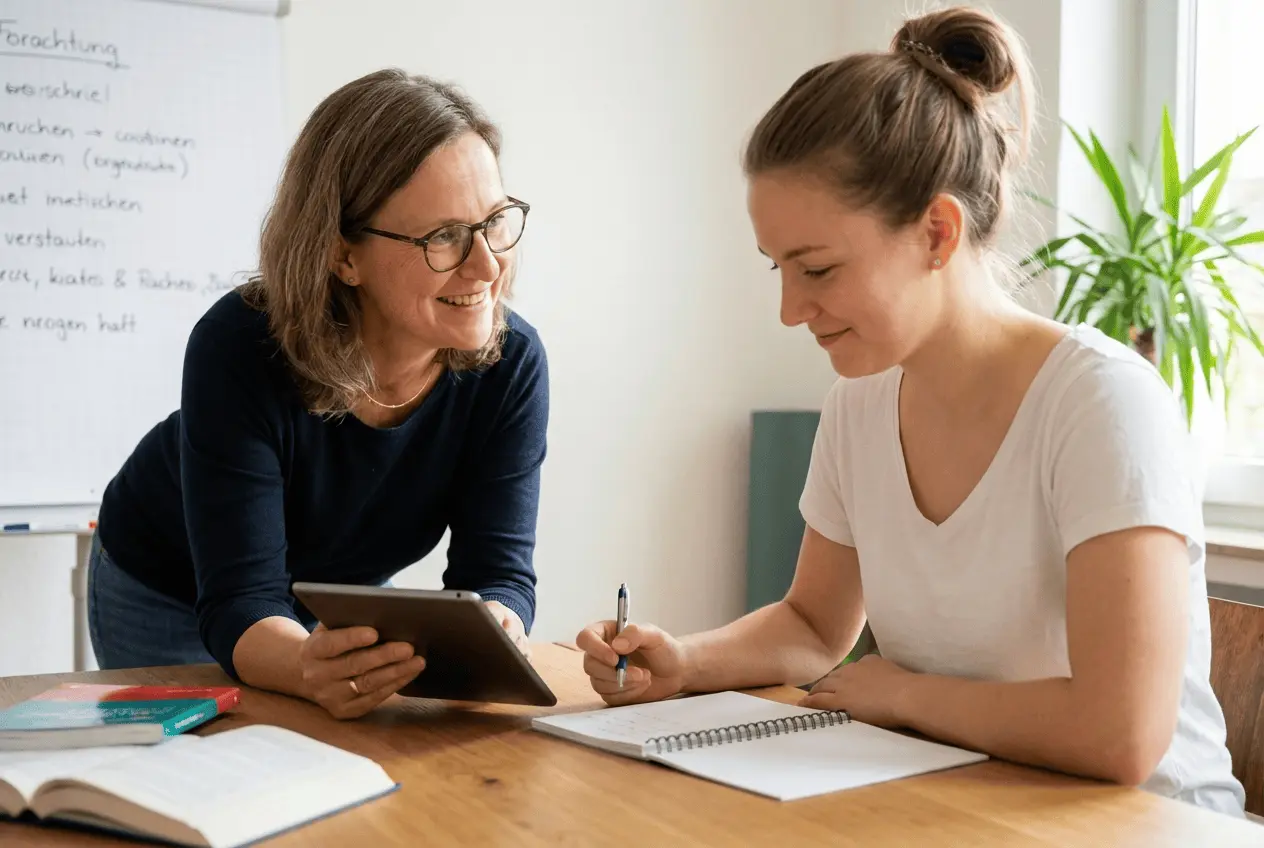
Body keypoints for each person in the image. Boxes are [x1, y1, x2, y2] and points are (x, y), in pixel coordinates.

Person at [577, 6, 1246, 816]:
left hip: (1141, 825)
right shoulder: (858, 403)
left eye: (817, 269)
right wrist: (684, 660)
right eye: (778, 269)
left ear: (936, 231)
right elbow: (815, 624)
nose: (791, 309)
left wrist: (901, 693)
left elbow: (1120, 735)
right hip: (968, 802)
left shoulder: (1100, 402)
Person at [90, 69, 548, 720]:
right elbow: (240, 599)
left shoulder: (511, 363)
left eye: (495, 222)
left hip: (336, 597)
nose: (488, 265)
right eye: (444, 236)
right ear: (343, 255)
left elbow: (496, 573)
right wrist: (307, 665)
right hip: (167, 584)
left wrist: (495, 630)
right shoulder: (238, 344)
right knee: (198, 791)